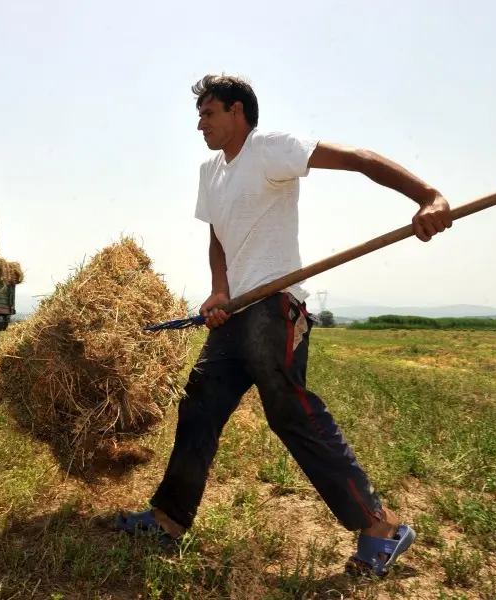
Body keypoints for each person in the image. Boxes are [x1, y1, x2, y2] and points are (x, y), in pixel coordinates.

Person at [116, 74, 453, 578]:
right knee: (199, 404)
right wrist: (219, 290)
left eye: (208, 113)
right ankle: (168, 519)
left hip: (274, 307)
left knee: (289, 413)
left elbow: (359, 159)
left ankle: (381, 527)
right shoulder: (210, 171)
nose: (200, 125)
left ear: (237, 111)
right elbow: (217, 237)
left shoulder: (270, 148)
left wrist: (428, 196)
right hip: (234, 313)